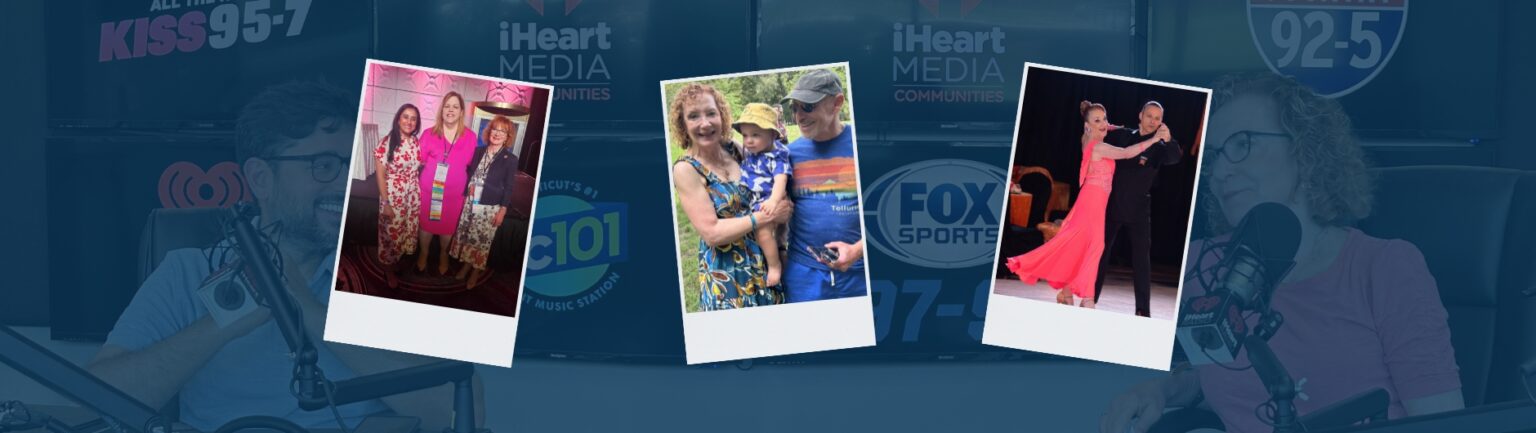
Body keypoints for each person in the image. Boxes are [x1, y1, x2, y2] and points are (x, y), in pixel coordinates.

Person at [86, 82, 482, 432]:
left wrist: (307, 311)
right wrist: (225, 320)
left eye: (356, 165)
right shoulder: (186, 272)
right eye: (324, 165)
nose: (346, 183)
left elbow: (463, 410)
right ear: (261, 178)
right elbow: (98, 399)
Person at [1099, 74, 1462, 433]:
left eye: (1242, 144)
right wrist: (1162, 390)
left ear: (1305, 152)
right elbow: (1222, 376)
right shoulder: (1201, 265)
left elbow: (1442, 422)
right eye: (1213, 157)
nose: (1221, 172)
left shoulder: (1385, 269)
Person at [1006, 101, 1164, 309]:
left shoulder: (1087, 139)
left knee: (1079, 246)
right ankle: (1087, 298)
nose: (1103, 123)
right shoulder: (1098, 147)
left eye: (1104, 119)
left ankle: (1067, 293)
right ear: (1087, 126)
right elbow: (1126, 153)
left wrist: (1109, 126)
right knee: (1094, 247)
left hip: (1093, 205)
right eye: (1097, 120)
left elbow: (1103, 127)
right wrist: (1154, 139)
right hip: (1090, 204)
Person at [670, 83, 793, 311]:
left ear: (722, 116)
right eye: (694, 116)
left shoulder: (736, 149)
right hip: (728, 277)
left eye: (711, 113)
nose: (705, 123)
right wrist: (765, 217)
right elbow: (712, 233)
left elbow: (769, 183)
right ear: (683, 124)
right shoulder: (686, 169)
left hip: (764, 263)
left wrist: (781, 245)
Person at [779, 69, 867, 303]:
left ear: (837, 103)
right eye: (794, 108)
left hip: (860, 275)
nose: (799, 116)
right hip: (804, 278)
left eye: (808, 107)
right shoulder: (788, 155)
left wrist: (858, 250)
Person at [1094, 101, 1182, 317]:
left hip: (1139, 210)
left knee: (1142, 260)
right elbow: (1102, 134)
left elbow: (1175, 157)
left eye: (1157, 118)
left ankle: (1142, 310)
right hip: (1113, 204)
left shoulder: (1160, 147)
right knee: (1100, 254)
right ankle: (1090, 297)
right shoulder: (1123, 136)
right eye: (1149, 115)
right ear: (1140, 115)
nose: (1153, 121)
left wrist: (1169, 139)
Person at [449, 116, 521, 288]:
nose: (497, 133)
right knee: (468, 237)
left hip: (490, 207)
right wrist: (468, 188)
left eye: (502, 131)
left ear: (508, 136)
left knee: (481, 241)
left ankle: (475, 270)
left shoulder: (510, 159)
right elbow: (469, 174)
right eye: (495, 129)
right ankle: (466, 265)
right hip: (471, 203)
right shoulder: (478, 151)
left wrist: (502, 211)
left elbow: (509, 187)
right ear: (489, 131)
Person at [416, 92, 478, 276]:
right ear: (441, 110)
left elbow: (471, 164)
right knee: (426, 226)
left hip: (454, 195)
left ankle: (444, 254)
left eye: (455, 106)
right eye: (447, 106)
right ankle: (424, 252)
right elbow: (420, 160)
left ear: (461, 112)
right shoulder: (428, 134)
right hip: (429, 192)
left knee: (447, 229)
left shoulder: (470, 137)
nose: (450, 110)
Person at [733, 102, 792, 288]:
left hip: (769, 200)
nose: (748, 141)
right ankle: (775, 254)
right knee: (768, 236)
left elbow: (781, 179)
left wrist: (774, 201)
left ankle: (774, 266)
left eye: (755, 135)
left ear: (773, 135)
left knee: (763, 233)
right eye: (745, 135)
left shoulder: (777, 156)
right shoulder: (754, 152)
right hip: (757, 200)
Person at [375, 103, 423, 289]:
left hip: (412, 196)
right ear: (398, 119)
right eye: (406, 117)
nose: (409, 121)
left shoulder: (415, 142)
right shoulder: (386, 142)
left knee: (406, 231)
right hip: (393, 197)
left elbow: (416, 165)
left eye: (413, 119)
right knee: (390, 235)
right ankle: (388, 269)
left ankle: (398, 262)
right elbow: (380, 175)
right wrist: (386, 203)